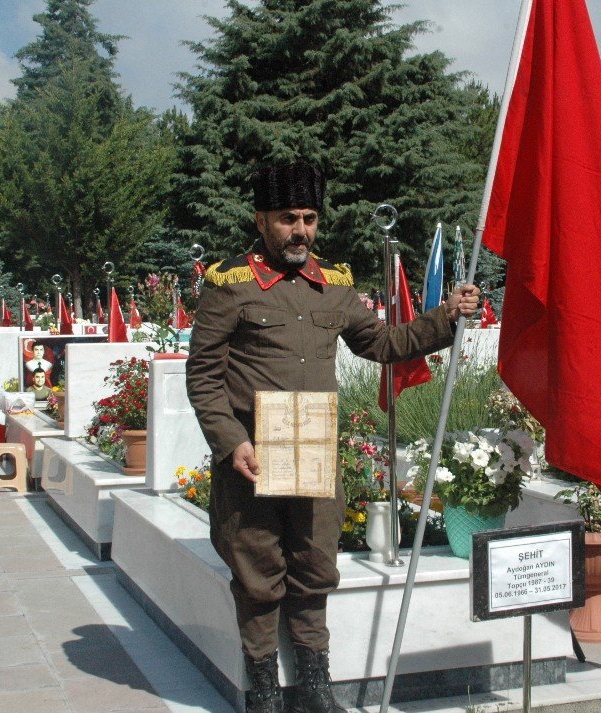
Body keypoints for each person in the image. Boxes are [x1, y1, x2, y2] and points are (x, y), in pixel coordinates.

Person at [186, 162, 480, 713]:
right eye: (287, 219)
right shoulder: (230, 284)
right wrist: (230, 441)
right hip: (252, 455)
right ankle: (265, 692)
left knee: (314, 565)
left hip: (313, 448)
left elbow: (385, 344)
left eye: (309, 218)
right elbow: (202, 376)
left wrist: (447, 316)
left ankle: (316, 687)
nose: (300, 231)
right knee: (257, 571)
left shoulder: (334, 286)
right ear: (261, 220)